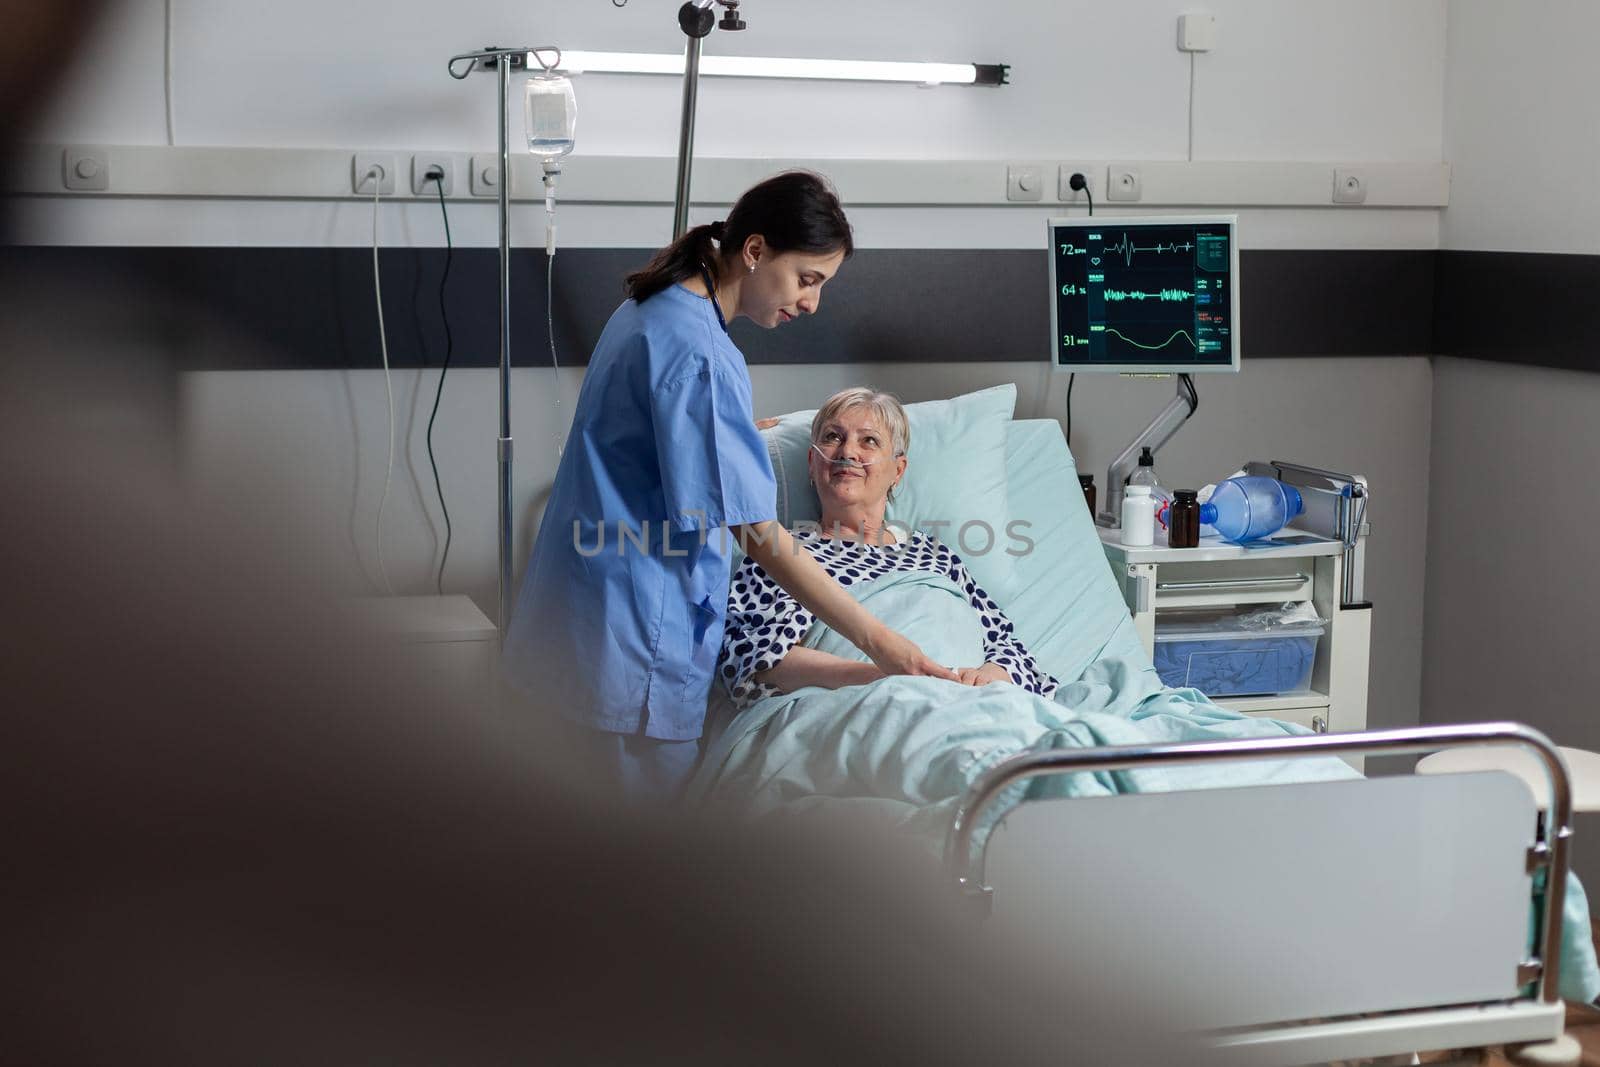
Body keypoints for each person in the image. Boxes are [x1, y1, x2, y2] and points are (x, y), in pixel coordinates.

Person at [501, 172, 956, 800]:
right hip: (633, 649)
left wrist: (742, 428)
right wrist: (887, 647)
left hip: (579, 629)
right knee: (632, 867)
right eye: (808, 278)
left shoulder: (651, 310)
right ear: (755, 251)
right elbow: (760, 537)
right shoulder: (704, 358)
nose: (811, 302)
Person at [720, 387, 1057, 710]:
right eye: (833, 437)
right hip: (858, 706)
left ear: (898, 470)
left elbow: (1007, 646)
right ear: (812, 462)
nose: (848, 452)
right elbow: (748, 656)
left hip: (971, 702)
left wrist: (988, 678)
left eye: (869, 441)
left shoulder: (935, 557)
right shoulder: (778, 553)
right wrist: (885, 679)